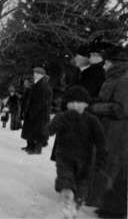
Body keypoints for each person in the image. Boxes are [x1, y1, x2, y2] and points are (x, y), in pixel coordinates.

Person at [48, 86, 107, 219]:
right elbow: (101, 141)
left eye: (78, 103)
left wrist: (101, 157)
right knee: (77, 181)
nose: (75, 105)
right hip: (77, 157)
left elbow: (100, 141)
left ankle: (71, 200)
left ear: (85, 104)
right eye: (72, 102)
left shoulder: (65, 117)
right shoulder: (91, 120)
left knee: (71, 179)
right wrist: (101, 157)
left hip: (71, 157)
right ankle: (73, 202)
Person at [89, 46, 128, 218]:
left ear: (115, 63)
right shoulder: (115, 78)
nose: (104, 66)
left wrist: (95, 107)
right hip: (110, 130)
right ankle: (107, 205)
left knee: (116, 169)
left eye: (107, 62)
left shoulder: (124, 80)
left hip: (119, 133)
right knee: (108, 167)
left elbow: (121, 109)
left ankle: (116, 210)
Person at [21, 66, 53, 154]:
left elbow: (42, 101)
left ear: (42, 75)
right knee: (30, 130)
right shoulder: (35, 84)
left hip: (40, 113)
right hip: (33, 111)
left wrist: (35, 111)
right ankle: (30, 146)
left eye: (38, 73)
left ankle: (37, 149)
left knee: (38, 132)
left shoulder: (44, 86)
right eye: (34, 73)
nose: (35, 75)